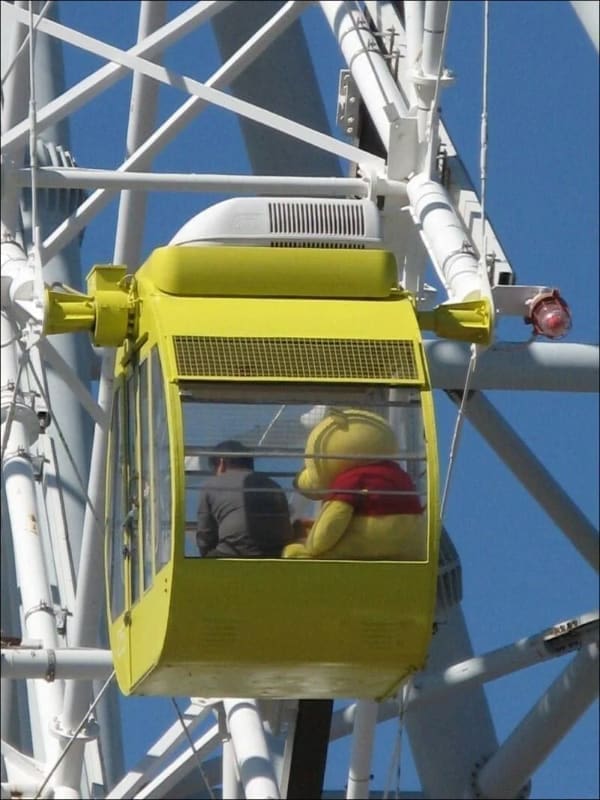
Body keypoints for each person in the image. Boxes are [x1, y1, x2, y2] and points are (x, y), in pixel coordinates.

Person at [196, 440, 293, 558]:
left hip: (232, 553)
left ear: (222, 463)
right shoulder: (274, 485)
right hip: (277, 555)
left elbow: (205, 537)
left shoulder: (211, 485)